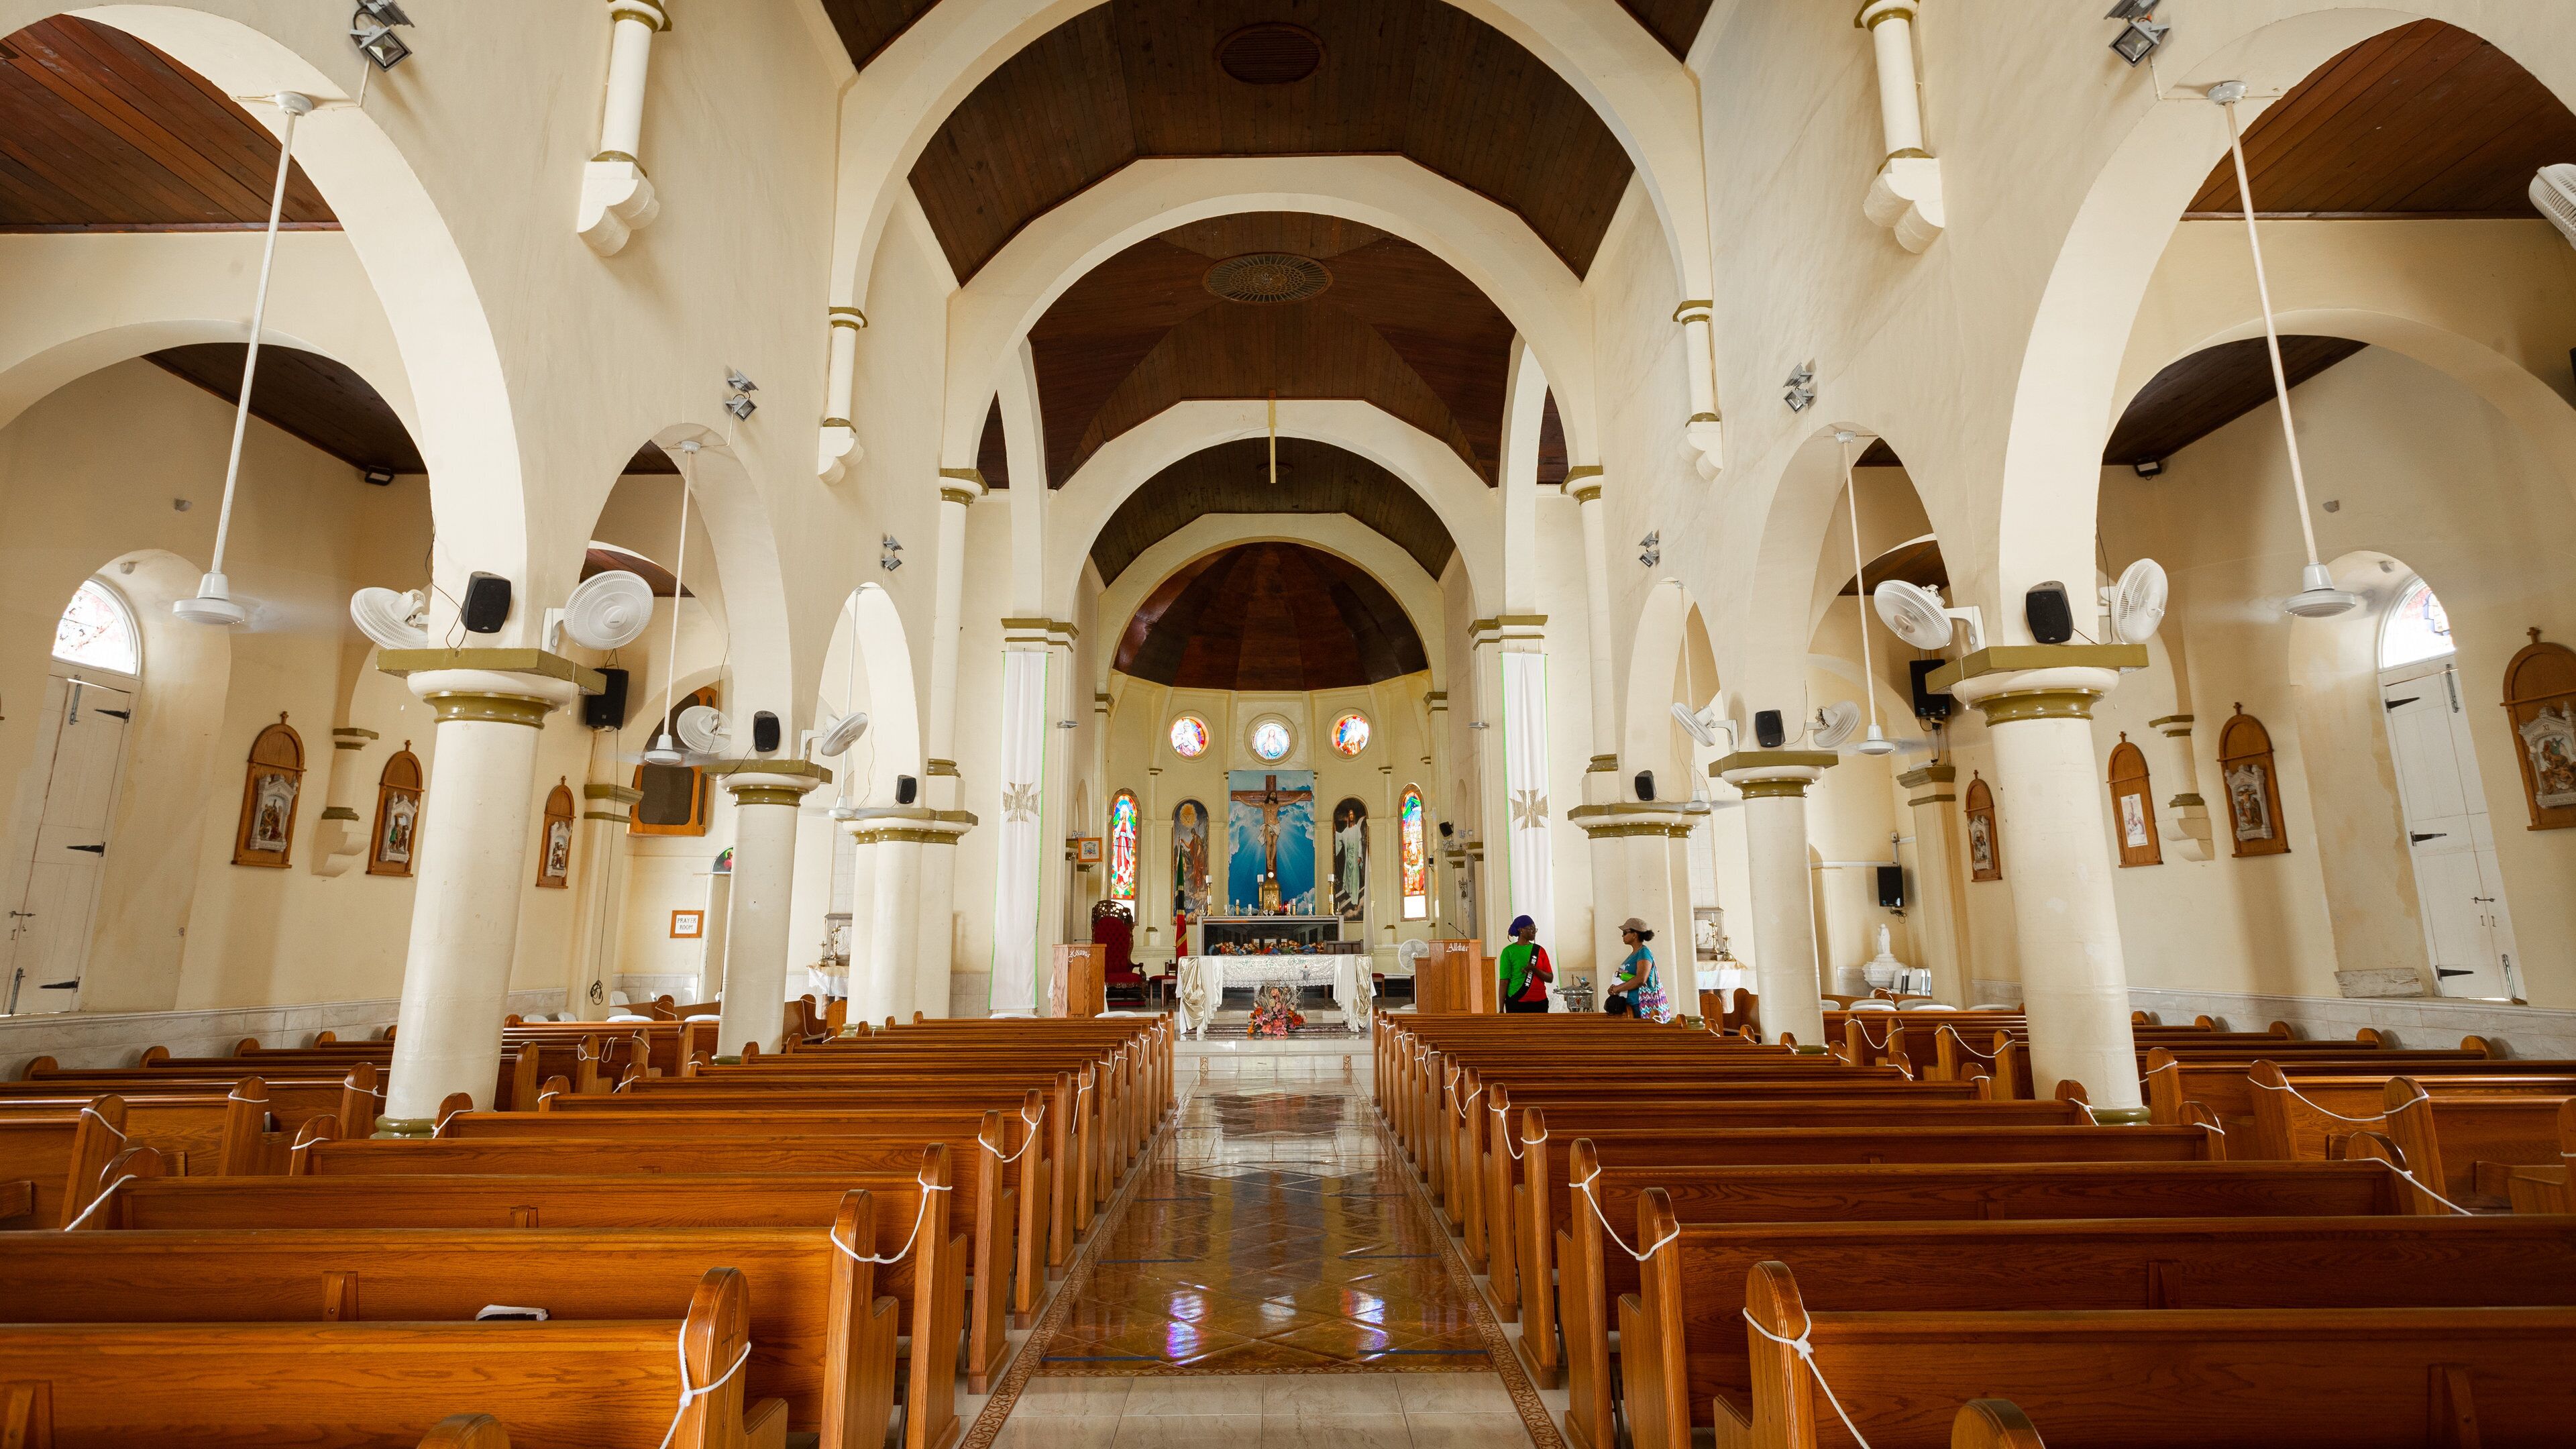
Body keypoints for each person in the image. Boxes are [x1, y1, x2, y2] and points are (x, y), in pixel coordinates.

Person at [1604, 916, 1672, 1022]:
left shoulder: (1643, 952)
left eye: (1625, 932)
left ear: (1635, 934)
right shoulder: (1632, 955)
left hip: (1641, 1004)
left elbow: (1641, 979)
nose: (1622, 936)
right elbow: (1627, 978)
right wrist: (1615, 988)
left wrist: (1618, 989)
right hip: (1631, 1004)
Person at [1496, 915, 1552, 1014]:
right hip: (1517, 1001)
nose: (1534, 931)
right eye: (1530, 928)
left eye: (1535, 929)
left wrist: (1534, 969)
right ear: (1521, 930)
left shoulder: (1540, 950)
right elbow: (1504, 982)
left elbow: (1550, 978)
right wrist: (1501, 1009)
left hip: (1540, 1002)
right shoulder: (1508, 952)